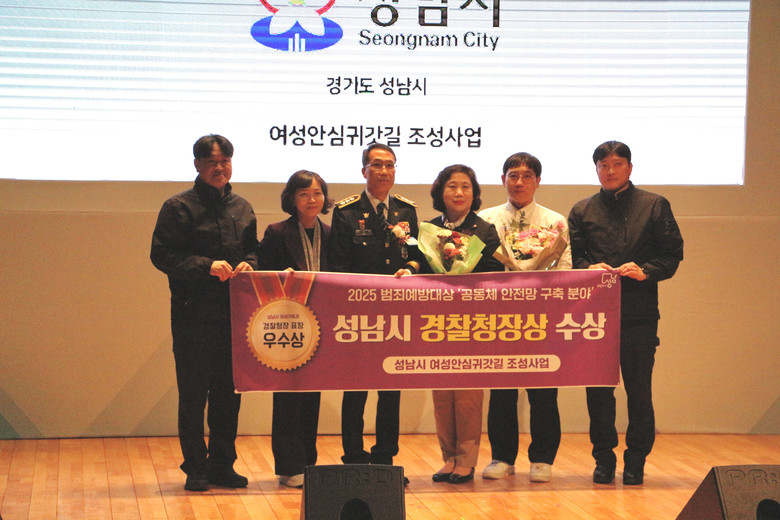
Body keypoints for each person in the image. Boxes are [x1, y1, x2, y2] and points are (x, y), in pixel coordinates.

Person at [568, 140, 683, 485]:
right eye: (603, 165)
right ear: (596, 170)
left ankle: (636, 461)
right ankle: (603, 459)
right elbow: (575, 259)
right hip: (594, 316)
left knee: (639, 391)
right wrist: (590, 268)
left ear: (630, 168)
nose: (610, 171)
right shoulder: (582, 210)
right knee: (598, 392)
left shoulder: (654, 205)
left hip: (638, 313)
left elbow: (672, 255)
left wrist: (646, 271)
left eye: (617, 164)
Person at [150, 134, 258, 491]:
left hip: (235, 316)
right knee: (194, 396)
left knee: (228, 396)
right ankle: (195, 467)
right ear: (197, 164)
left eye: (225, 161)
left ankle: (222, 465)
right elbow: (162, 255)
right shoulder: (178, 206)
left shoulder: (242, 207)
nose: (219, 167)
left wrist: (250, 263)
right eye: (212, 162)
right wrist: (206, 265)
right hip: (193, 316)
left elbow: (255, 251)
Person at [477, 152, 572, 483]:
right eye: (513, 175)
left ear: (538, 181)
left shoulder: (555, 221)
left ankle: (543, 458)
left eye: (527, 176)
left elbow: (565, 269)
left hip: (541, 318)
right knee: (501, 390)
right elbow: (477, 268)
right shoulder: (485, 220)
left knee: (543, 390)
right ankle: (502, 456)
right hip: (498, 317)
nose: (519, 182)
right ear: (503, 179)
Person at [329, 142, 421, 477]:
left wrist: (409, 268)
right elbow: (338, 265)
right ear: (364, 170)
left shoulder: (406, 211)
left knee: (390, 389)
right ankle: (353, 458)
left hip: (395, 314)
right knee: (355, 389)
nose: (384, 171)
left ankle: (385, 461)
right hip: (358, 315)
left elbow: (416, 255)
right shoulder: (346, 211)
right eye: (377, 165)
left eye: (390, 165)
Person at [423, 165, 504, 484]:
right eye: (452, 186)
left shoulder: (485, 230)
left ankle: (467, 459)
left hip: (472, 321)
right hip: (436, 321)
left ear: (474, 193)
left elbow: (495, 275)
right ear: (440, 192)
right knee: (441, 393)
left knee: (468, 394)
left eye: (465, 187)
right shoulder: (428, 229)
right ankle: (449, 457)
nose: (459, 192)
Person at [256, 170, 332, 488]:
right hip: (287, 325)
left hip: (321, 323)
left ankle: (308, 462)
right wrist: (279, 274)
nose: (311, 199)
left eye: (317, 193)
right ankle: (289, 465)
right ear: (292, 198)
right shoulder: (277, 232)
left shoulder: (331, 233)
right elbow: (261, 272)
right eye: (303, 194)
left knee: (312, 394)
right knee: (288, 396)